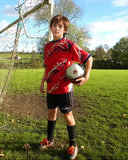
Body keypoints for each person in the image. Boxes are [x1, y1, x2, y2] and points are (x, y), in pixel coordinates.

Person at [39, 14, 93, 160]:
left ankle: (73, 145)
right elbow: (47, 67)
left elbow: (88, 58)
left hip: (64, 88)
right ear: (50, 27)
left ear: (64, 29)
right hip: (51, 88)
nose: (56, 28)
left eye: (60, 26)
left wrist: (86, 77)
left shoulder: (69, 45)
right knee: (51, 113)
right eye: (54, 25)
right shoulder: (48, 46)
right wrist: (43, 82)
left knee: (67, 115)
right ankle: (49, 140)